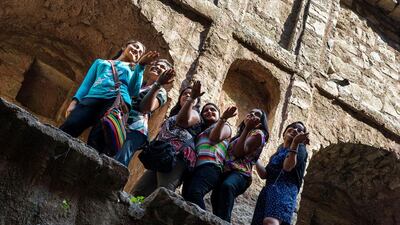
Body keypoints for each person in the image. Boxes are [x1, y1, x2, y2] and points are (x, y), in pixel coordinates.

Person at [59, 40, 157, 154]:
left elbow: (133, 91)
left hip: (115, 103)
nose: (137, 51)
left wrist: (141, 66)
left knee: (97, 140)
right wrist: (74, 102)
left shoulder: (134, 69)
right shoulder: (100, 62)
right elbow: (86, 84)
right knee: (70, 125)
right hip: (92, 98)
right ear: (124, 46)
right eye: (135, 46)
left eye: (140, 52)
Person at [131, 81, 203, 197]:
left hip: (177, 155)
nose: (188, 96)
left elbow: (182, 121)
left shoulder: (195, 113)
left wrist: (191, 100)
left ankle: (159, 214)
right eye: (185, 94)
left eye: (191, 94)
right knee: (139, 191)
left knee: (164, 189)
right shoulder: (173, 115)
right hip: (162, 155)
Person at [211, 108, 269, 222]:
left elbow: (239, 152)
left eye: (257, 114)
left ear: (261, 122)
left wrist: (247, 128)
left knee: (227, 187)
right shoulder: (240, 134)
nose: (252, 114)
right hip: (226, 171)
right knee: (216, 199)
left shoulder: (258, 134)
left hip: (240, 173)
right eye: (250, 112)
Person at [114, 59, 175, 166]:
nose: (158, 67)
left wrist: (158, 84)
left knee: (118, 161)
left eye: (162, 67)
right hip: (118, 121)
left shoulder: (161, 92)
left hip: (134, 128)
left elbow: (146, 108)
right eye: (156, 64)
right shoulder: (139, 84)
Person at [251, 121, 309, 225]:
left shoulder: (300, 148)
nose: (295, 130)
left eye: (299, 130)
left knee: (271, 222)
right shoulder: (277, 154)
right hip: (268, 190)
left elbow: (287, 167)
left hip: (285, 189)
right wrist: (255, 157)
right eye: (293, 127)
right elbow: (265, 175)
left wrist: (295, 143)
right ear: (284, 133)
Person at [182, 104, 237, 209]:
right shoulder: (200, 132)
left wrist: (223, 118)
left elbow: (214, 138)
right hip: (194, 169)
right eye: (205, 110)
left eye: (213, 110)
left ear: (219, 114)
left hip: (211, 166)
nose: (209, 111)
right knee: (187, 197)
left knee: (195, 193)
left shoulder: (225, 126)